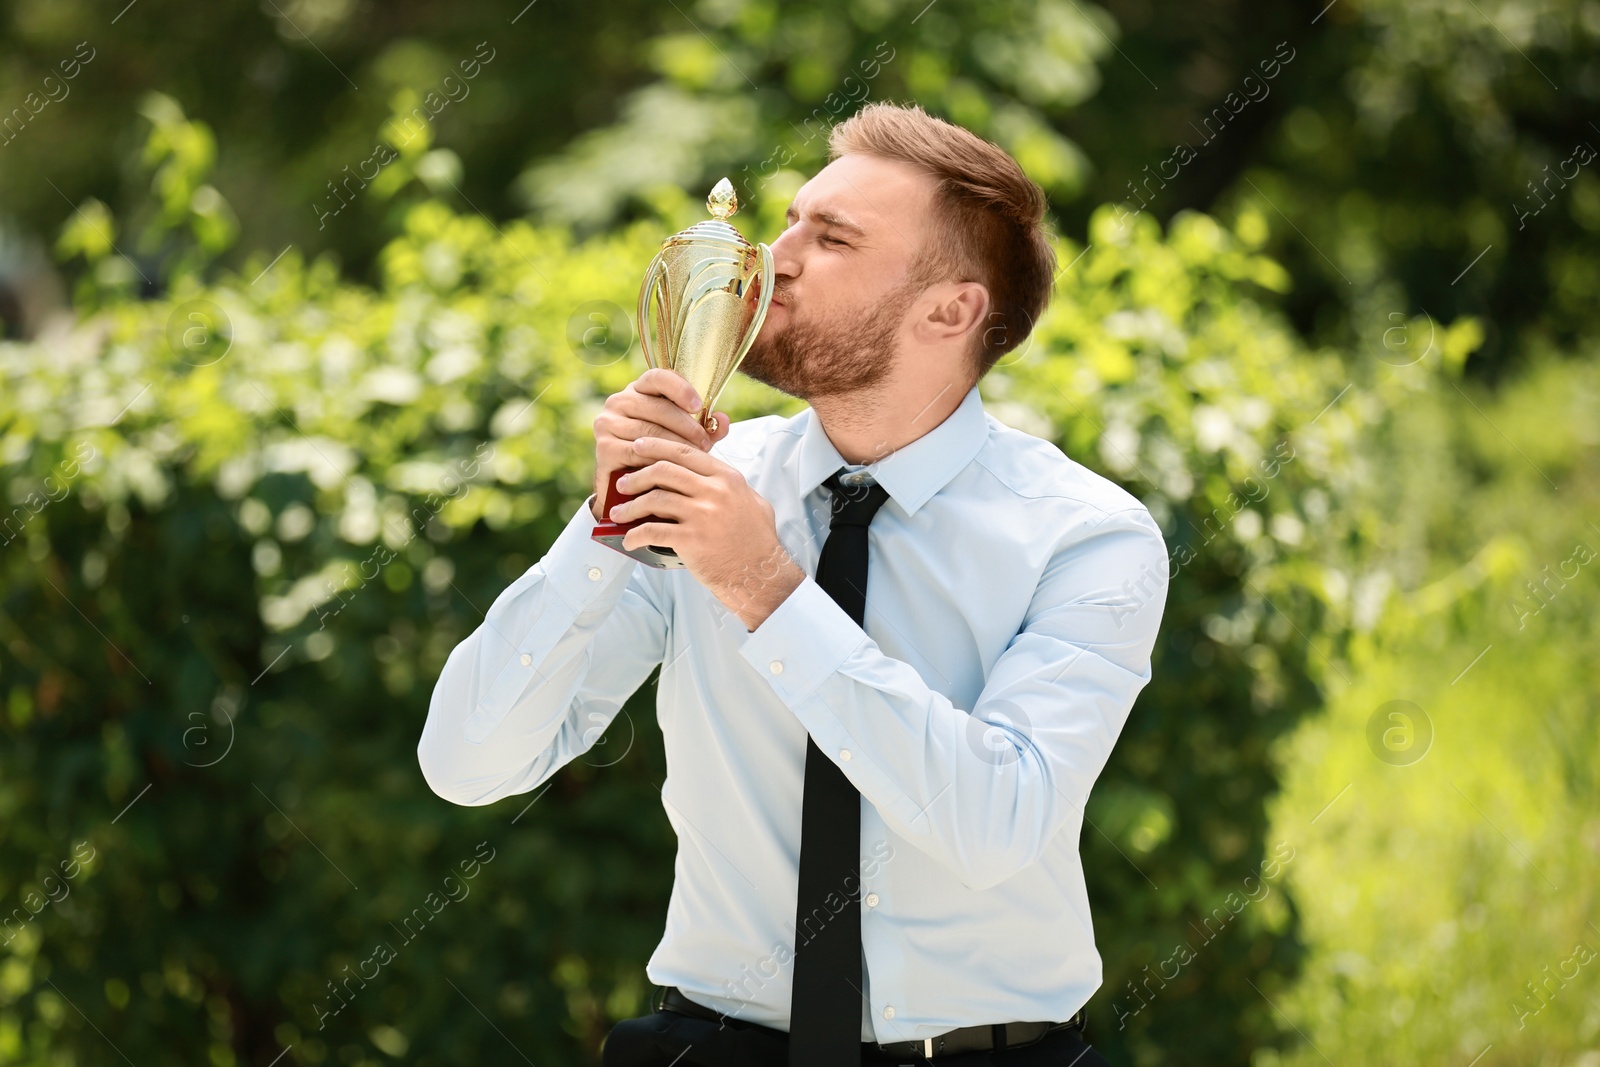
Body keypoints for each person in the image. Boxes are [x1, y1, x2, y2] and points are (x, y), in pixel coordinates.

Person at [418, 100, 1170, 1066]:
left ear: (951, 309)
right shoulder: (710, 494)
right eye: (790, 222)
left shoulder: (1088, 535)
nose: (776, 257)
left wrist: (765, 587)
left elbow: (995, 823)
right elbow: (470, 764)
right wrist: (606, 525)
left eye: (834, 237)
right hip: (709, 1046)